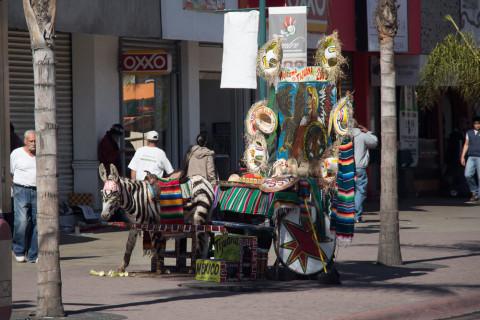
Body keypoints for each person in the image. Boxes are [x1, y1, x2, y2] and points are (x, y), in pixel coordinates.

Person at [10, 130, 38, 263]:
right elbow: (10, 173)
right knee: (22, 221)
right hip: (21, 190)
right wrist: (14, 188)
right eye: (31, 141)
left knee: (38, 223)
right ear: (25, 141)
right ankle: (19, 250)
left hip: (38, 191)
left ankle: (33, 254)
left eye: (36, 141)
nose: (33, 144)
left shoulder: (42, 155)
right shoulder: (16, 153)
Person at [353, 124, 378, 223]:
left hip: (346, 167)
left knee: (349, 191)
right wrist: (367, 131)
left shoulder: (344, 136)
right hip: (359, 167)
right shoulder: (362, 136)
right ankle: (356, 214)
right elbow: (374, 142)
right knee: (360, 191)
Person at [461, 116, 480, 202]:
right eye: (476, 123)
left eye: (478, 123)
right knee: (467, 174)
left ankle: (478, 195)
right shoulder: (469, 133)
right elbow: (466, 144)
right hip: (471, 156)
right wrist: (462, 156)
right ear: (473, 124)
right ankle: (474, 192)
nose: (477, 125)